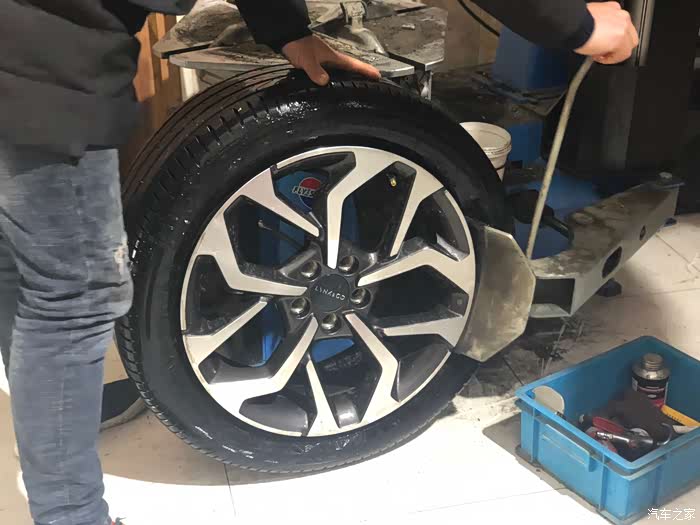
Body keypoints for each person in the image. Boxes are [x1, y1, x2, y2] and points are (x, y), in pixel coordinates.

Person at [0, 1, 637, 524]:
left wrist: (287, 33)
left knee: (27, 273)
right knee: (73, 298)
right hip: (37, 54)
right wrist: (574, 23)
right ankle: (70, 514)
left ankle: (57, 418)